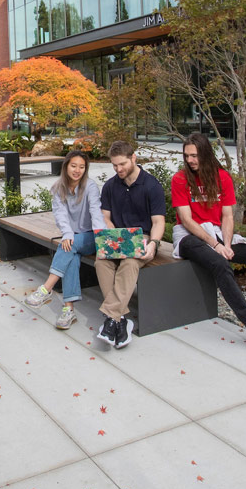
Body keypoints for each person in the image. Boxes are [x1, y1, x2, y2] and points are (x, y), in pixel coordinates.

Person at [171, 133, 246, 357]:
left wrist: (226, 243)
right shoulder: (180, 179)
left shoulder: (222, 178)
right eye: (187, 155)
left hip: (218, 232)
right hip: (188, 236)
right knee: (221, 265)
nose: (190, 160)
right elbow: (187, 220)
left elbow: (227, 216)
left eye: (194, 155)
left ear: (206, 154)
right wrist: (215, 246)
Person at [94, 140, 166, 349]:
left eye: (122, 164)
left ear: (133, 158)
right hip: (117, 237)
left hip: (143, 238)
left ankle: (110, 318)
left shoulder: (151, 186)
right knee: (101, 262)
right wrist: (113, 233)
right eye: (114, 165)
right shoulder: (110, 185)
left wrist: (153, 244)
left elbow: (158, 222)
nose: (118, 169)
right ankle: (120, 319)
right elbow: (105, 217)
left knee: (130, 263)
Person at [23, 150, 104, 330]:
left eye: (82, 167)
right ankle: (69, 310)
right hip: (73, 238)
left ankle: (46, 289)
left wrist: (100, 234)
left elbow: (95, 211)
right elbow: (60, 215)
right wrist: (67, 234)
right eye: (73, 166)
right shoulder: (59, 188)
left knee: (69, 245)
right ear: (66, 166)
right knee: (71, 255)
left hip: (92, 236)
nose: (77, 170)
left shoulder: (90, 186)